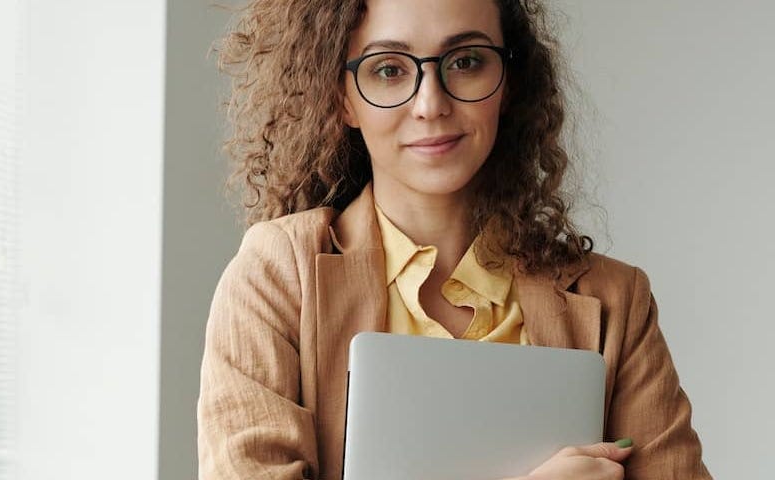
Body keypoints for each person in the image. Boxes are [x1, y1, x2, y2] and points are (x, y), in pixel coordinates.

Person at [195, 0, 712, 479]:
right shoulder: (275, 277)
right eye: (389, 69)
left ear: (509, 80)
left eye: (465, 62)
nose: (430, 103)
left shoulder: (617, 301)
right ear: (343, 99)